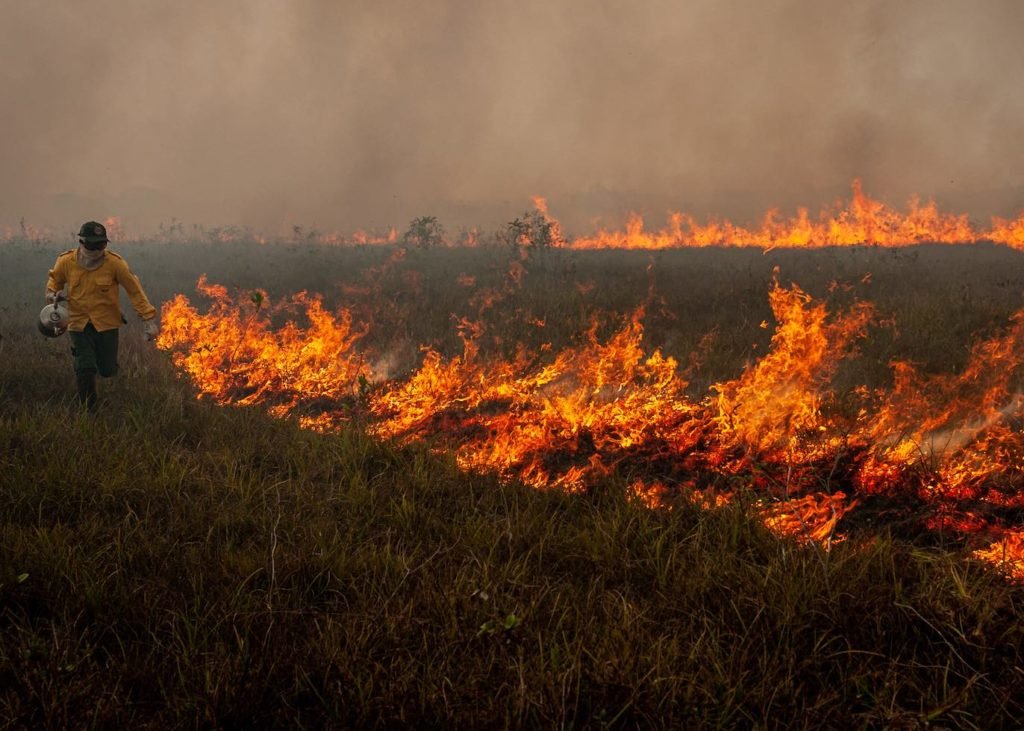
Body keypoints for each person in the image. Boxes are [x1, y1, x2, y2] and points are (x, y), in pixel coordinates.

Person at [45, 220, 159, 409]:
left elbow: (134, 290)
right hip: (78, 323)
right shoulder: (66, 262)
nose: (97, 249)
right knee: (85, 365)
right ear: (81, 242)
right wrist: (52, 295)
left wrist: (149, 320)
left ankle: (99, 372)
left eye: (101, 244)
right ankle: (89, 411)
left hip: (107, 323)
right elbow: (54, 281)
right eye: (93, 244)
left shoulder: (115, 263)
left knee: (107, 370)